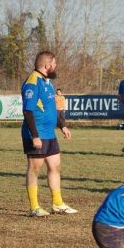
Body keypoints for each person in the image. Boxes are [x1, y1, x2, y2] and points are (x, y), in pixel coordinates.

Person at [21, 51, 77, 217]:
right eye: (54, 63)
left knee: (55, 166)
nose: (55, 66)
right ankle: (34, 207)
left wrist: (62, 126)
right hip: (36, 134)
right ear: (47, 66)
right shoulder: (33, 82)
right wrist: (35, 136)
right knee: (35, 168)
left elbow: (52, 108)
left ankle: (57, 203)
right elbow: (28, 111)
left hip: (50, 134)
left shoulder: (48, 82)